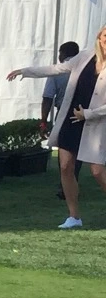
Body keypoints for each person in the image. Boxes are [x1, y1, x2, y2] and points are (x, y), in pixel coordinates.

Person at [8, 26, 106, 228]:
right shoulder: (85, 57)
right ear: (99, 37)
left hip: (95, 125)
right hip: (71, 120)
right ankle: (74, 217)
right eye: (105, 36)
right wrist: (26, 71)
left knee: (97, 172)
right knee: (65, 167)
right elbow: (56, 69)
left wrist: (88, 114)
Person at [41, 41, 83, 198]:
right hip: (83, 113)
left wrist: (43, 121)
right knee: (78, 150)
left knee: (64, 151)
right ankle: (73, 180)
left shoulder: (57, 72)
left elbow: (47, 98)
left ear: (63, 54)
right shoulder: (84, 69)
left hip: (64, 114)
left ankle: (65, 184)